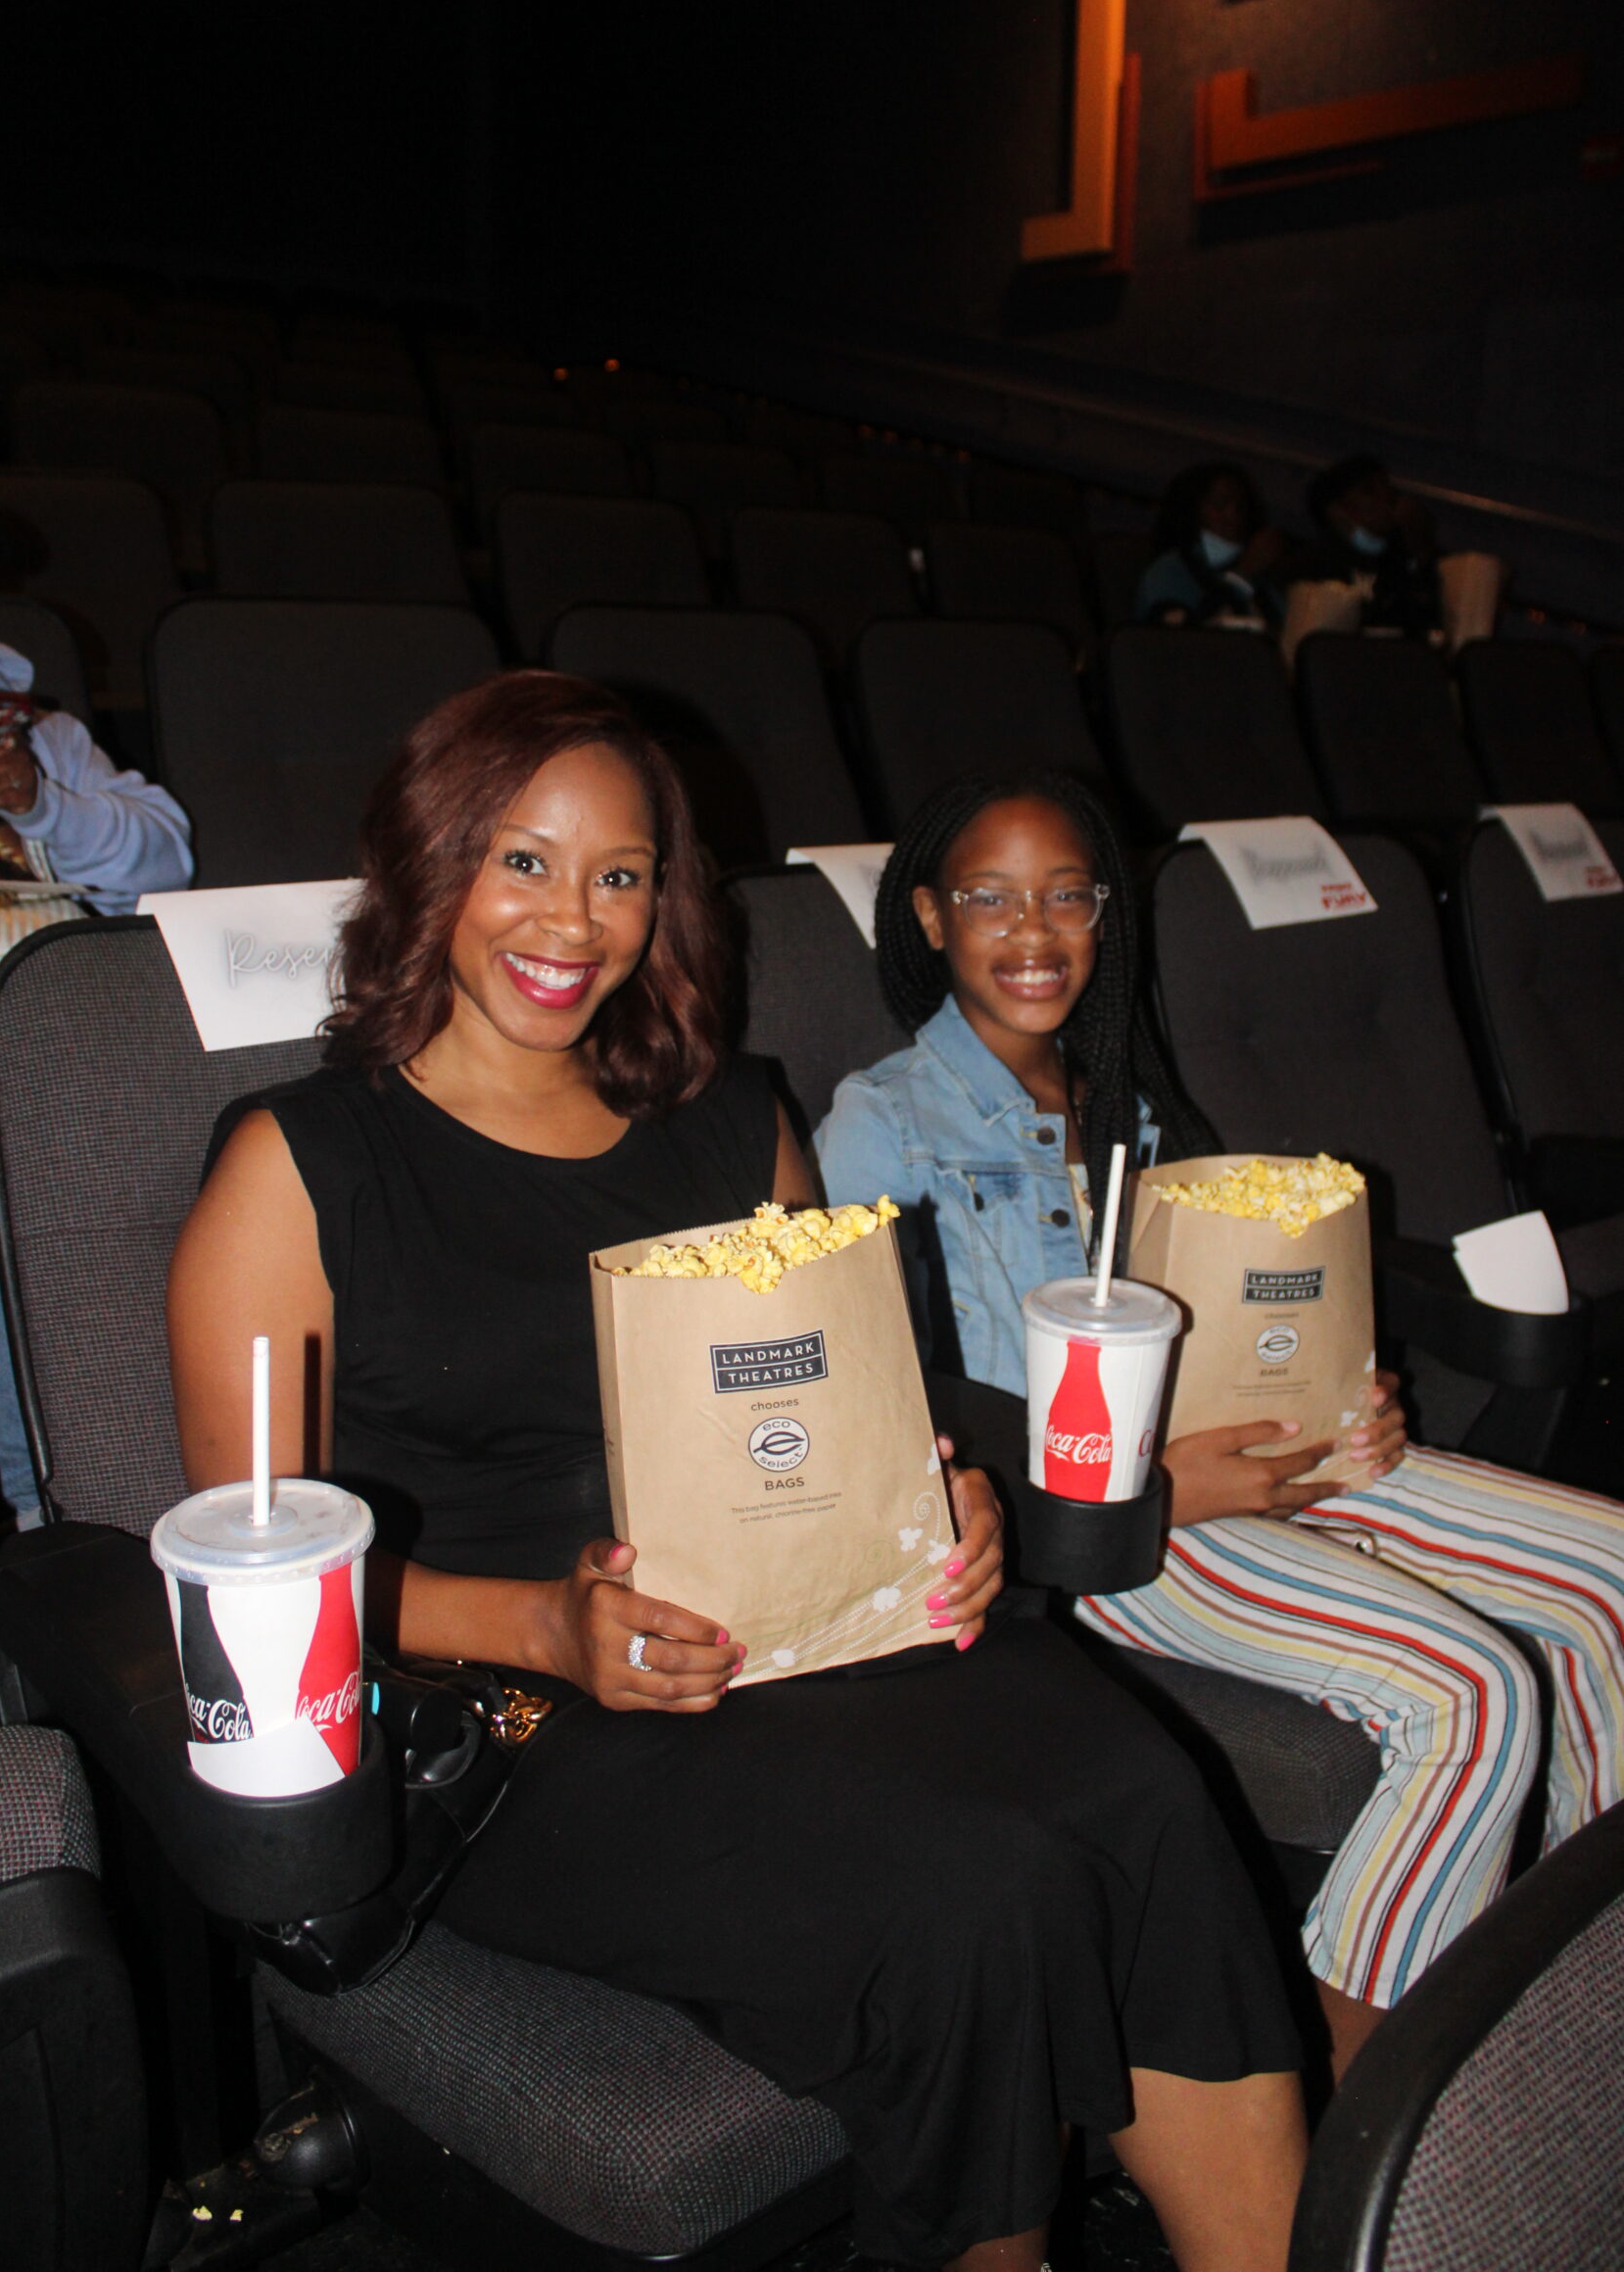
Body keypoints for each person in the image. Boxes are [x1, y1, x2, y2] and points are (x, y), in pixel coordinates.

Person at [168, 671, 1307, 2272]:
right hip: (517, 1723)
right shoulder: (293, 1167)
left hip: (809, 1639)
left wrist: (943, 1512)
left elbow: (852, 1427)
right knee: (979, 1890)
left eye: (620, 875)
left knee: (1144, 1795)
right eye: (522, 859)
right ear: (428, 863)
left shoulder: (729, 1127)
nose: (573, 917)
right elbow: (254, 1596)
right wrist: (548, 1630)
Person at [817, 769, 1624, 2082]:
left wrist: (1333, 1394)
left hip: (1232, 1467)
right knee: (1470, 1692)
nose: (1034, 930)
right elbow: (887, 1430)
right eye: (989, 898)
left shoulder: (1124, 1107)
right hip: (1087, 1535)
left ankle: (1570, 2021)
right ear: (926, 918)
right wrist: (1161, 1488)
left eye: (1067, 894)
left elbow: (1232, 1320)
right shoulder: (877, 1127)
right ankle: (1358, 2109)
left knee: (1611, 1577)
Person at [0, 489, 192, 1523]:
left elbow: (167, 860)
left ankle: (200, 1461)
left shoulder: (31, 728)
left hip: (37, 991)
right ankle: (44, 1504)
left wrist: (43, 803)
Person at [1294, 454, 1441, 637]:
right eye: (1369, 491)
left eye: (1387, 488)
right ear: (1336, 510)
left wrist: (1420, 547)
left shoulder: (1401, 558)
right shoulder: (1313, 563)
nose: (1386, 498)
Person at [1134, 464, 1286, 630]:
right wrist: (1242, 575)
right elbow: (1189, 637)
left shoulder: (1262, 582)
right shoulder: (1168, 572)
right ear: (1191, 510)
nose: (1232, 516)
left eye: (1240, 507)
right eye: (1220, 505)